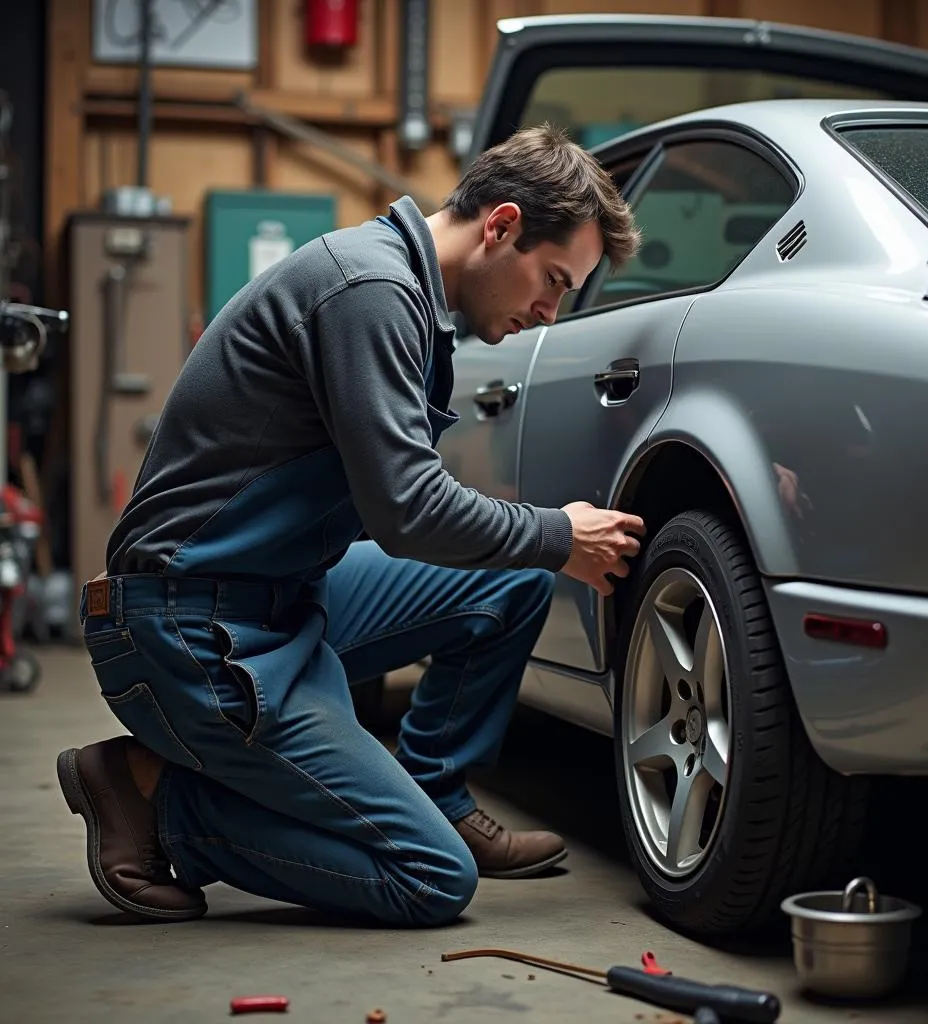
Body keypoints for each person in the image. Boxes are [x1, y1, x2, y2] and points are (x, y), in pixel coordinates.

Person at [57, 123, 644, 927]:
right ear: (501, 225)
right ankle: (154, 798)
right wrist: (558, 534)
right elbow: (407, 510)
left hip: (279, 595)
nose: (548, 311)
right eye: (552, 279)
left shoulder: (400, 286)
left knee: (508, 578)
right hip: (189, 629)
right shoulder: (369, 290)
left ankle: (436, 792)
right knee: (432, 880)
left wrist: (535, 545)